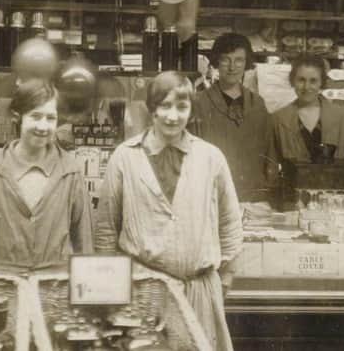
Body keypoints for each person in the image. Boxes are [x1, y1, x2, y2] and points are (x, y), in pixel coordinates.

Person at [95, 71, 242, 351]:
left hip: (199, 291)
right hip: (142, 292)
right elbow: (105, 230)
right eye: (164, 106)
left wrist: (224, 279)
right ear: (151, 109)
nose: (172, 116)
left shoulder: (211, 158)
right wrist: (113, 288)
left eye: (181, 107)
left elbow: (230, 222)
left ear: (191, 110)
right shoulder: (125, 157)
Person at [0, 79, 93, 270]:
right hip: (4, 287)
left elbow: (84, 243)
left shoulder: (70, 171)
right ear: (17, 117)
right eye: (35, 116)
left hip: (54, 287)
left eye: (50, 118)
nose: (43, 127)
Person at [267, 54, 344, 187]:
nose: (307, 87)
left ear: (322, 83)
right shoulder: (278, 119)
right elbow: (270, 169)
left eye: (313, 81)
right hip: (294, 202)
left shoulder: (342, 117)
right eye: (301, 80)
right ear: (292, 81)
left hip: (334, 201)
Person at [190, 33, 271, 202]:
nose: (232, 67)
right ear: (216, 62)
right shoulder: (199, 103)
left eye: (239, 60)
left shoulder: (258, 104)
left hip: (253, 197)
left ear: (246, 62)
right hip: (211, 195)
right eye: (226, 60)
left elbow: (269, 155)